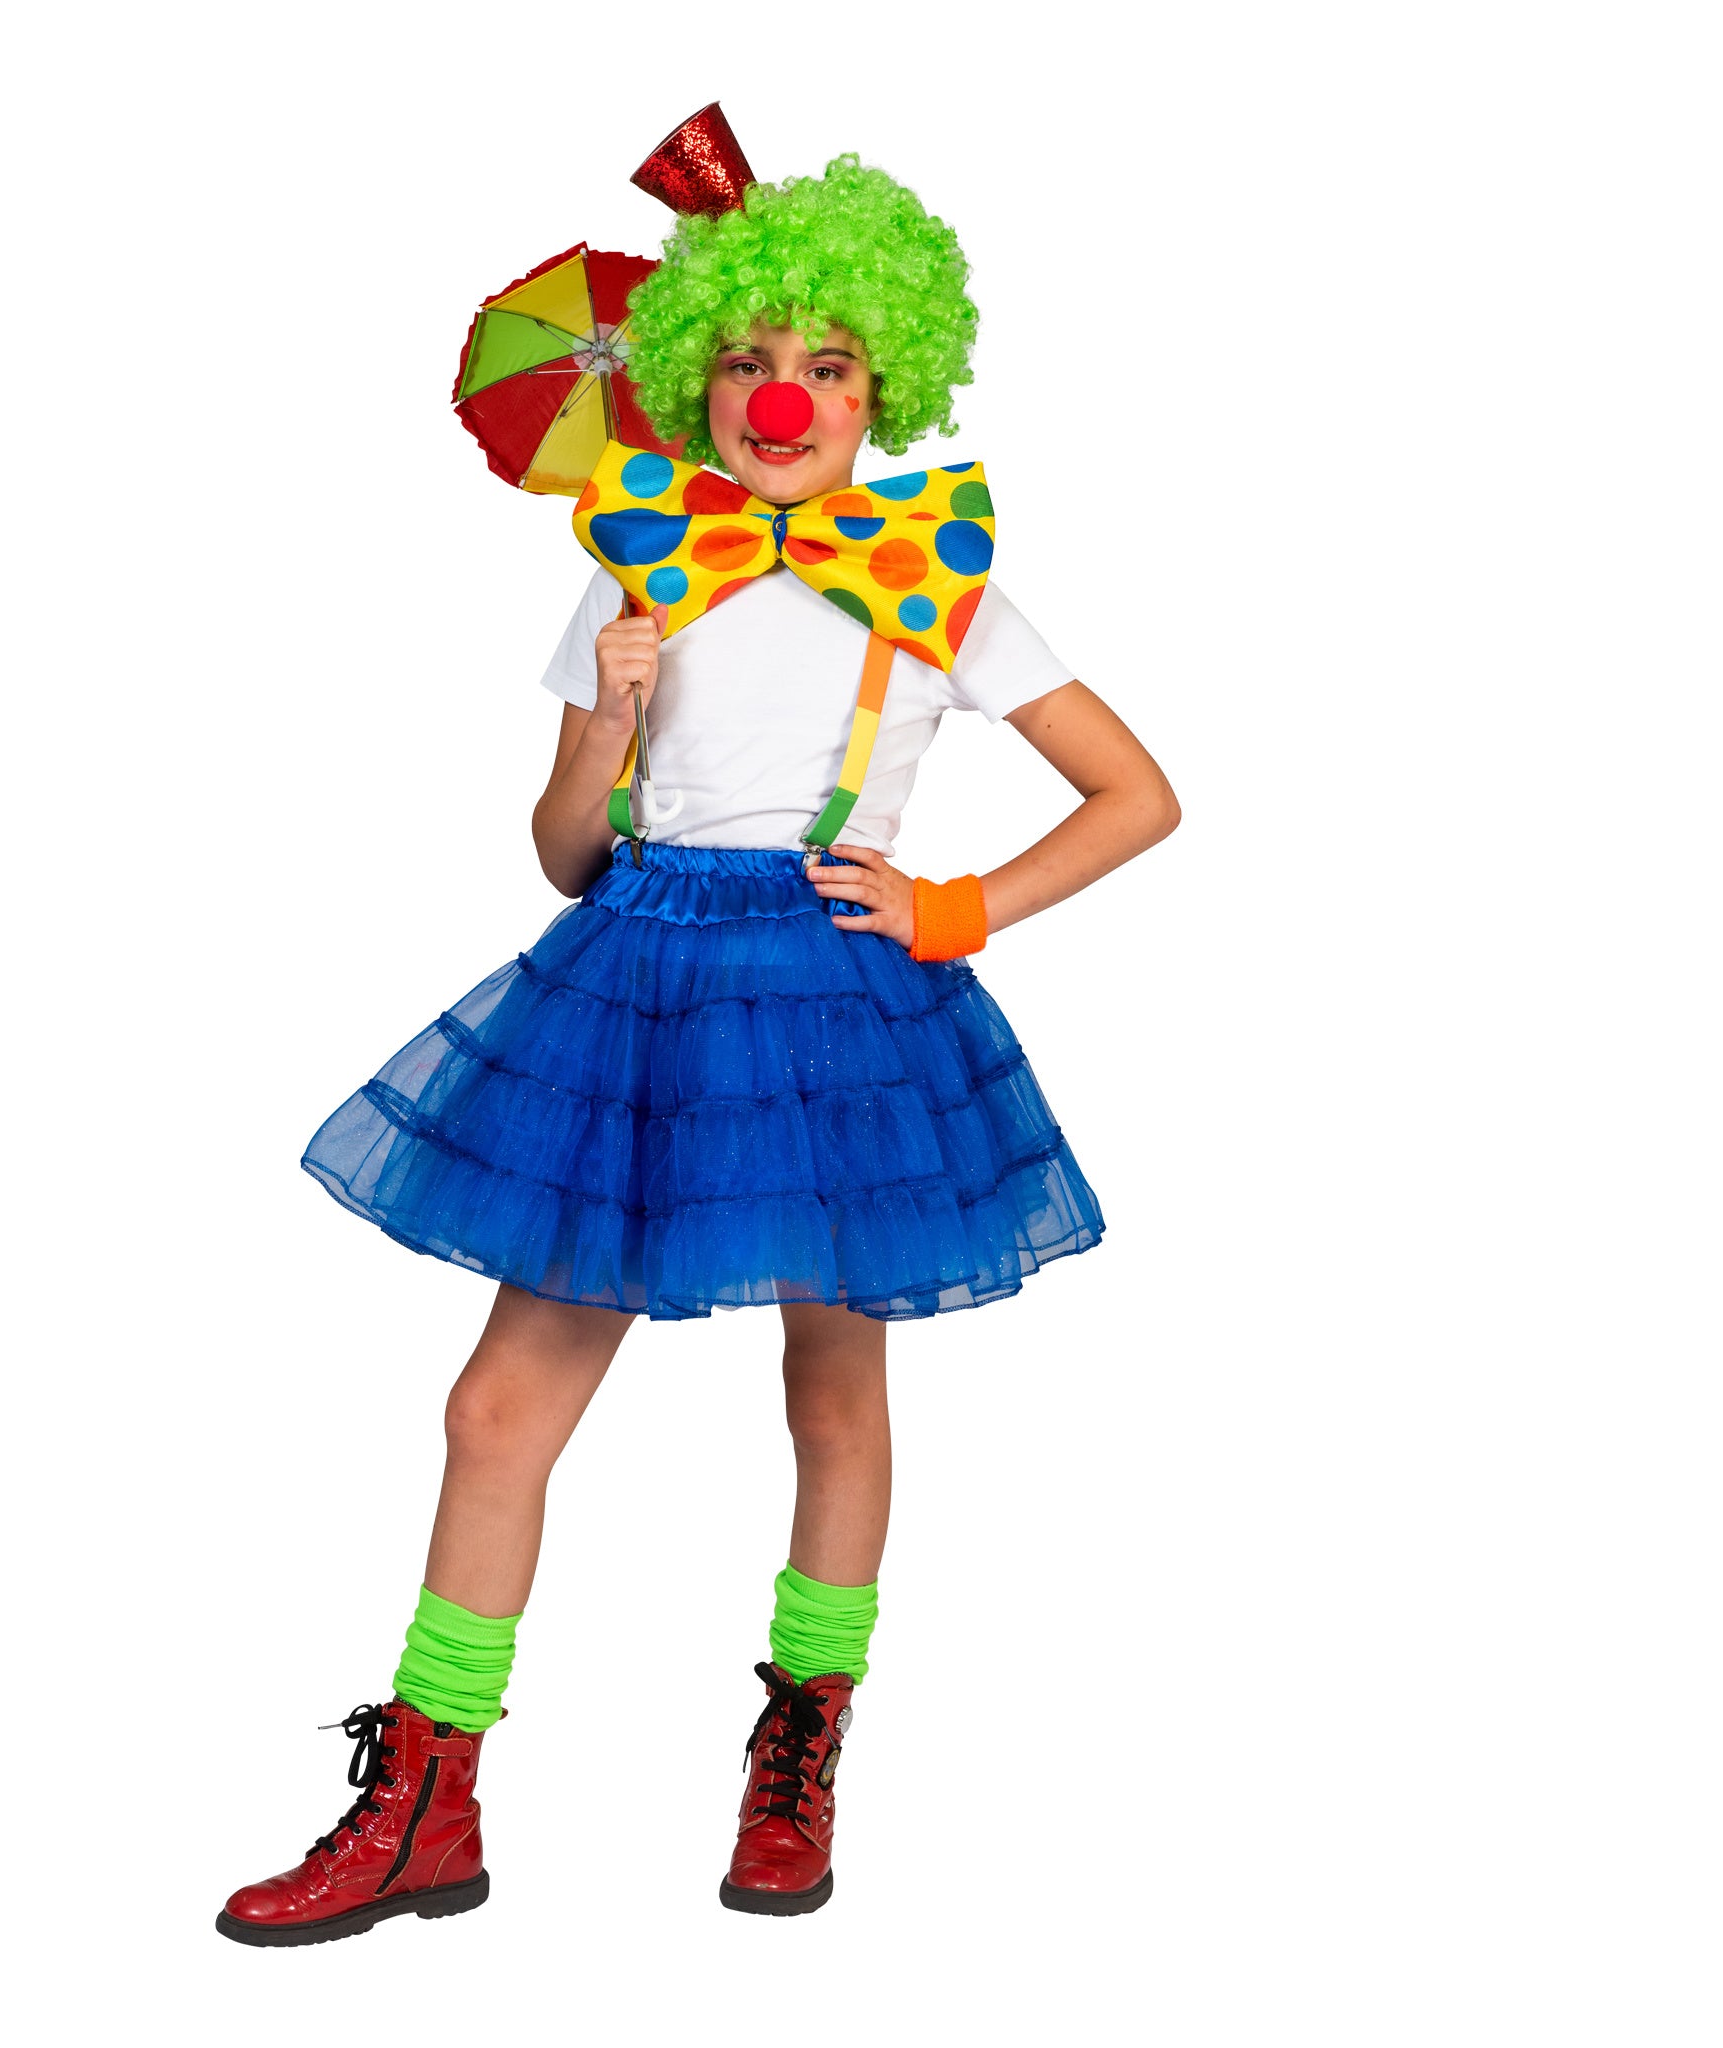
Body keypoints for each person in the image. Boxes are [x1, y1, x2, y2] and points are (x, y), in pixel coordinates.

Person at [216, 140, 1180, 1947]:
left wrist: (958, 908)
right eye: (746, 359)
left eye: (828, 362)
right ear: (692, 382)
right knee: (496, 1405)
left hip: (836, 1003)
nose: (782, 395)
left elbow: (1138, 794)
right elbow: (565, 853)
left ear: (884, 386)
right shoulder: (635, 565)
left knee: (832, 1389)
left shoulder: (938, 580)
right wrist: (608, 723)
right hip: (639, 979)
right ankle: (427, 1797)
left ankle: (800, 1753)